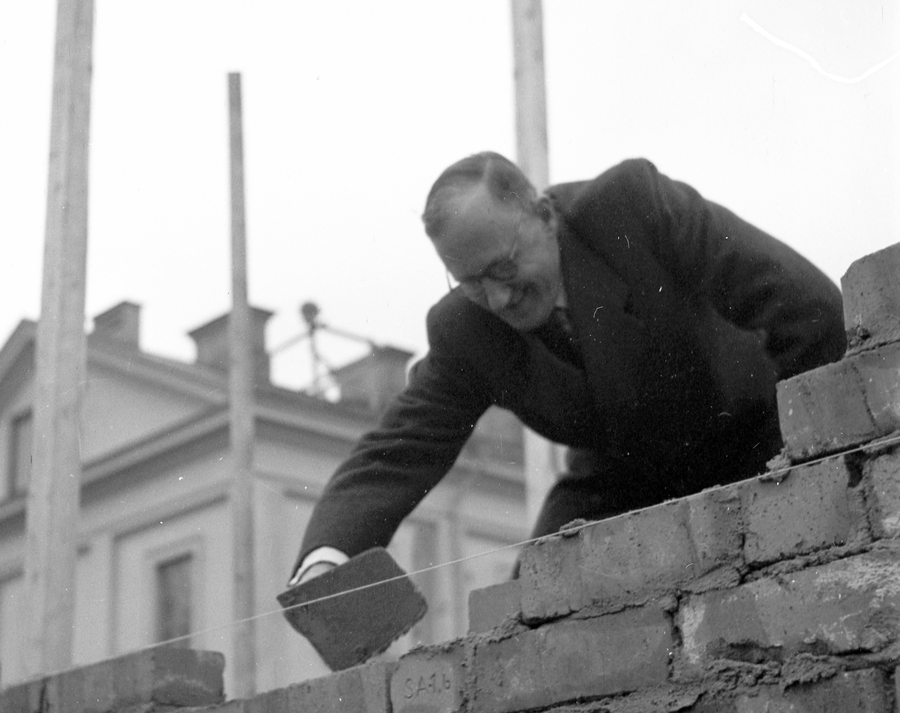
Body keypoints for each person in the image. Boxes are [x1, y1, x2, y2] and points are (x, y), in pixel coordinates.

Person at [289, 153, 846, 587]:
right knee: (523, 617)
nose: (499, 297)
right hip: (624, 480)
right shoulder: (465, 330)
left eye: (504, 268)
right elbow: (400, 447)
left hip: (753, 434)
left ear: (545, 215)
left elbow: (806, 307)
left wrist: (807, 457)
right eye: (472, 283)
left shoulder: (631, 208)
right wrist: (327, 559)